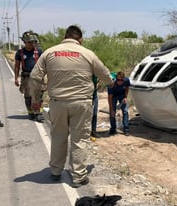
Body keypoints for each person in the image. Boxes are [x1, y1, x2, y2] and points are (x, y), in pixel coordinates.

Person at [29, 25, 114, 188]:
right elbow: (106, 75)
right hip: (81, 103)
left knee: (58, 136)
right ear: (80, 39)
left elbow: (34, 76)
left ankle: (55, 171)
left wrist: (36, 98)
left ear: (64, 36)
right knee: (79, 138)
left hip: (57, 102)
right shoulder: (88, 53)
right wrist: (108, 82)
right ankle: (78, 176)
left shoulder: (49, 52)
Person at [14, 30, 44, 122]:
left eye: (33, 42)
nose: (32, 44)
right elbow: (17, 66)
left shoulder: (38, 51)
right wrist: (16, 78)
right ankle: (31, 112)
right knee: (28, 96)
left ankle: (38, 113)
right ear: (24, 42)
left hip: (38, 77)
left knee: (39, 95)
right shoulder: (20, 53)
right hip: (26, 77)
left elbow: (44, 64)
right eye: (29, 42)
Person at [108, 71, 130, 136]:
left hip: (122, 95)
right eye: (118, 80)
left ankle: (126, 129)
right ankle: (113, 128)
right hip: (113, 97)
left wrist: (125, 97)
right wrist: (111, 109)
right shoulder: (111, 84)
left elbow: (127, 88)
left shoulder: (126, 80)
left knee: (125, 111)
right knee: (112, 112)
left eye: (121, 80)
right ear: (116, 79)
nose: (120, 81)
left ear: (124, 79)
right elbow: (109, 98)